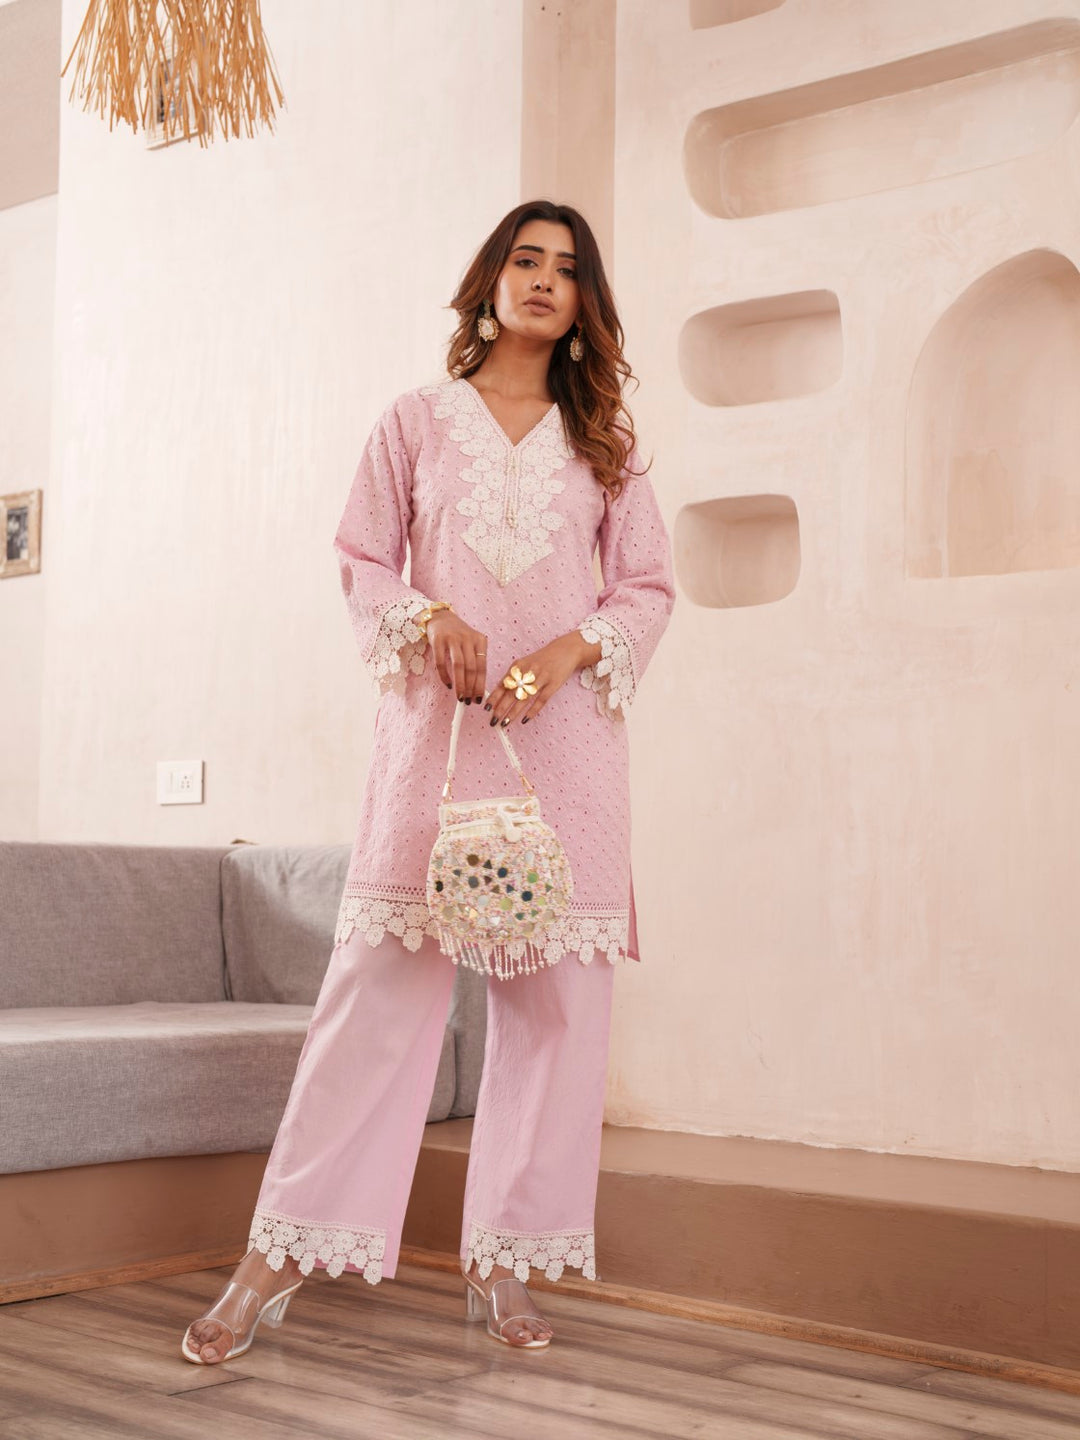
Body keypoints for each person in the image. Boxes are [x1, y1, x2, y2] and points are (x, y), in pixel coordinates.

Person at [181, 199, 676, 1363]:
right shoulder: (414, 422)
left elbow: (647, 587)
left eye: (567, 267)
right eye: (525, 259)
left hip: (568, 752)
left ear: (584, 301)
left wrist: (567, 652)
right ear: (490, 281)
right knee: (376, 995)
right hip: (435, 743)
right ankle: (279, 1254)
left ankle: (506, 1262)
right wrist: (428, 614)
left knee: (557, 1010)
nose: (544, 279)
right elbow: (361, 556)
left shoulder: (605, 439)